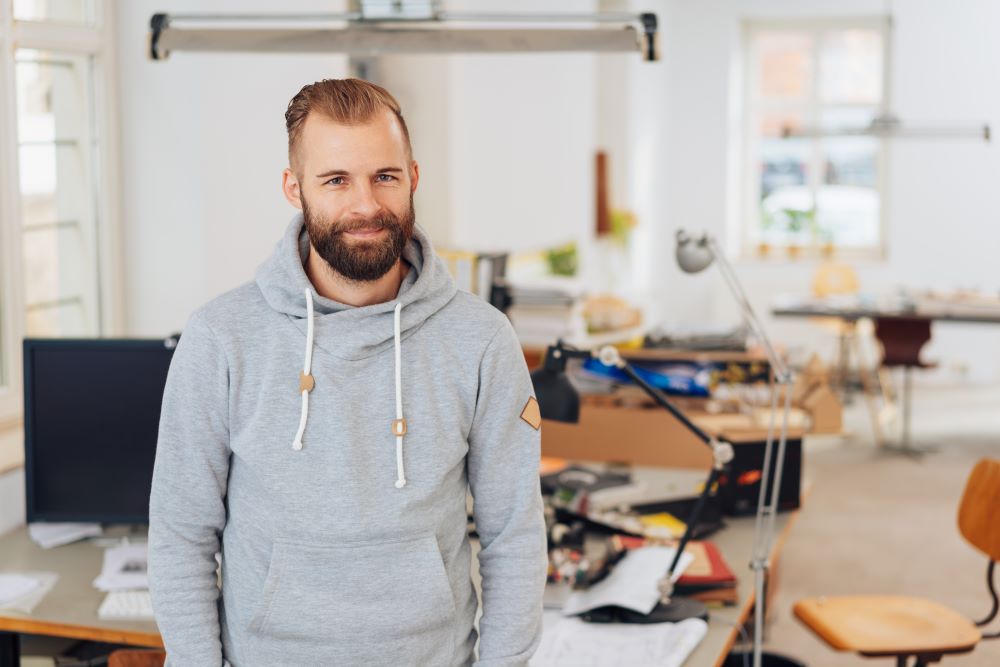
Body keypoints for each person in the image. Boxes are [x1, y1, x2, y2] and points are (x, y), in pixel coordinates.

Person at [148, 78, 547, 666]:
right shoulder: (219, 339)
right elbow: (181, 535)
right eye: (335, 180)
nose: (365, 205)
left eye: (384, 176)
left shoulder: (482, 340)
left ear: (413, 177)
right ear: (294, 188)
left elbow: (514, 536)